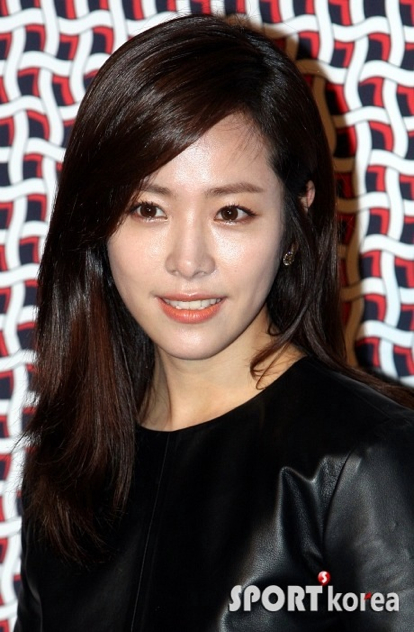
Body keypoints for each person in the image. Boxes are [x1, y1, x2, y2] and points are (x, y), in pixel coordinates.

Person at [15, 13, 414, 632]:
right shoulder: (69, 471)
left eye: (231, 212)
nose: (188, 261)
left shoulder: (364, 464)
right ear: (97, 223)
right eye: (147, 209)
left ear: (294, 219)